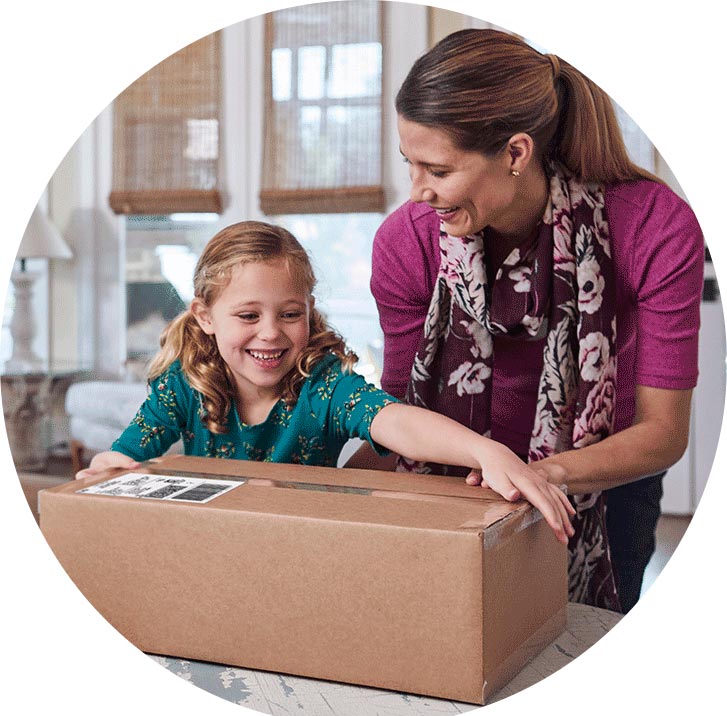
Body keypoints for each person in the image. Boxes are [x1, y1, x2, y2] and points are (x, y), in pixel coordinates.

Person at [346, 29, 704, 613]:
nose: (417, 193)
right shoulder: (405, 243)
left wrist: (540, 475)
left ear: (515, 153)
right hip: (450, 483)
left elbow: (663, 430)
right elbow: (398, 404)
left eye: (437, 170)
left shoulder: (653, 225)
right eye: (410, 164)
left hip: (601, 488)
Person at [76, 220, 574, 542]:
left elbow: (396, 423)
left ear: (308, 311)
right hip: (217, 543)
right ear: (205, 316)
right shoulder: (183, 386)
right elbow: (126, 457)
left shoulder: (323, 385)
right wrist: (111, 466)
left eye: (290, 313)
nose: (270, 333)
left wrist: (487, 452)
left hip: (309, 548)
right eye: (248, 315)